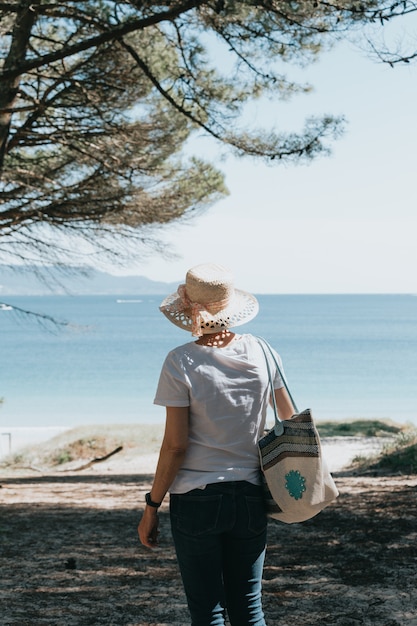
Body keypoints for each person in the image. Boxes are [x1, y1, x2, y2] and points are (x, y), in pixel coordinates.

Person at [138, 263, 295, 626]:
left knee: (208, 611)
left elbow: (176, 446)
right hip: (251, 494)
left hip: (196, 499)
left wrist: (152, 506)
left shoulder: (180, 362)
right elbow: (287, 418)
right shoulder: (263, 352)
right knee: (249, 607)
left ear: (190, 308)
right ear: (230, 308)